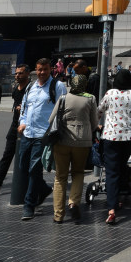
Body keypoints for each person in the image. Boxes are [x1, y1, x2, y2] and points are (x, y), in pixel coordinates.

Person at [18, 58, 67, 220]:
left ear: (51, 69)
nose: (42, 72)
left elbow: (62, 110)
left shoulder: (57, 87)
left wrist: (54, 132)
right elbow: (24, 107)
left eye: (45, 69)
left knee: (34, 170)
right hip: (28, 133)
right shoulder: (31, 87)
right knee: (23, 168)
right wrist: (22, 122)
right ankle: (44, 189)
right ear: (35, 70)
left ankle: (29, 205)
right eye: (39, 69)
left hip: (43, 135)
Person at [49, 68, 99, 223]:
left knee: (60, 177)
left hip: (62, 141)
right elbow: (95, 123)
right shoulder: (90, 99)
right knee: (78, 172)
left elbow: (51, 120)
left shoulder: (63, 98)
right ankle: (73, 202)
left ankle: (58, 215)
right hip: (82, 142)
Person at [98, 69, 131, 225]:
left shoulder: (110, 94)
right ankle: (123, 194)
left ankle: (112, 209)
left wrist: (97, 124)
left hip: (111, 137)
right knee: (123, 165)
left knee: (111, 172)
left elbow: (99, 110)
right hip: (128, 138)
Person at [0, 63, 30, 196]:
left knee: (25, 159)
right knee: (7, 155)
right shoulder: (16, 88)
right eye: (16, 73)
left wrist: (25, 108)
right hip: (14, 126)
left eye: (20, 73)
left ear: (27, 73)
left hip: (26, 128)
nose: (17, 75)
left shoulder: (31, 89)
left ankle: (28, 188)